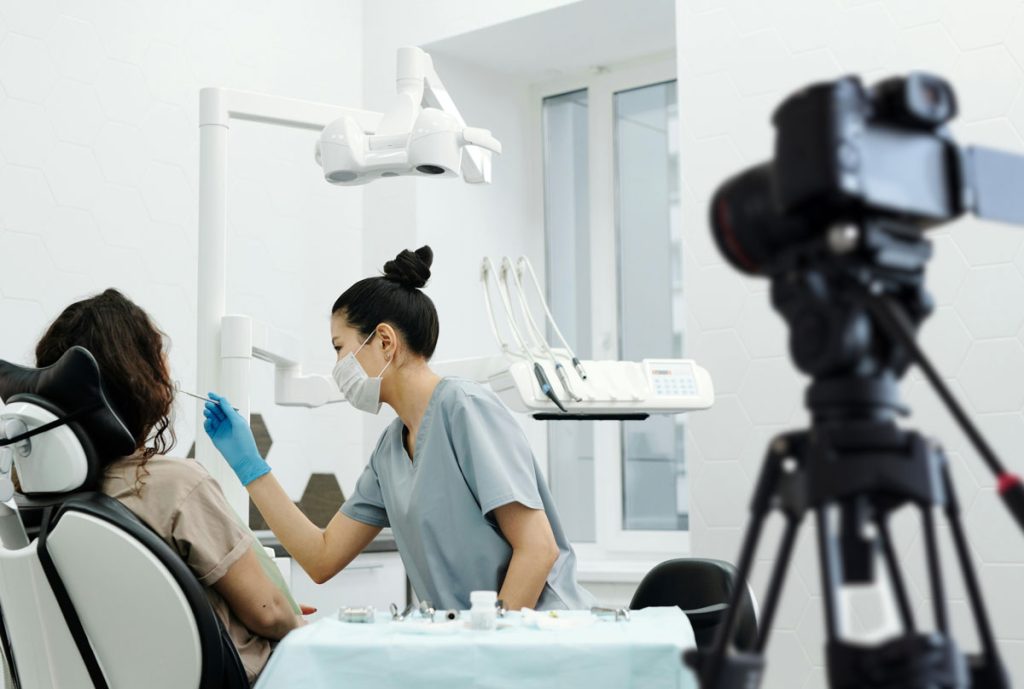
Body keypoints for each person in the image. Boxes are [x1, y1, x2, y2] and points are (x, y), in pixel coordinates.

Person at [205, 246, 595, 611]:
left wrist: (488, 643)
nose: (337, 365)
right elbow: (321, 558)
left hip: (537, 633)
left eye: (340, 348)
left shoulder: (465, 408)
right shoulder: (390, 451)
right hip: (470, 644)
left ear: (385, 341)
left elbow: (538, 548)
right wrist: (250, 465)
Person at [34, 289, 304, 684]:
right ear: (138, 379)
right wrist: (315, 635)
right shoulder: (175, 486)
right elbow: (268, 612)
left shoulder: (38, 499)